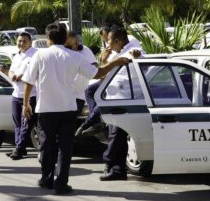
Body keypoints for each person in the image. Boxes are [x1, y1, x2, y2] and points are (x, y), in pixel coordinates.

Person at [21, 23, 130, 195]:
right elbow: (97, 73)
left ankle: (46, 179)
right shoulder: (74, 56)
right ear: (65, 39)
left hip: (47, 109)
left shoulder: (40, 56)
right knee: (65, 147)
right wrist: (115, 62)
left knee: (47, 146)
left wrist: (25, 104)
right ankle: (61, 184)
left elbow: (28, 81)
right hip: (68, 108)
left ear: (48, 39)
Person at [99, 26, 144, 181]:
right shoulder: (118, 53)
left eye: (109, 41)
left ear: (117, 40)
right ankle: (118, 170)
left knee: (116, 135)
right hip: (114, 100)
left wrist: (137, 56)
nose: (108, 44)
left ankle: (109, 161)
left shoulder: (133, 50)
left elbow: (138, 55)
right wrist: (105, 60)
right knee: (117, 135)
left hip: (125, 101)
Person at [6, 32, 38, 160]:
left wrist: (22, 76)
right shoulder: (17, 56)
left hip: (31, 95)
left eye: (24, 41)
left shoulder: (35, 54)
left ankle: (19, 149)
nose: (21, 43)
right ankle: (20, 147)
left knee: (26, 123)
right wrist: (12, 75)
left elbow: (34, 73)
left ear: (30, 42)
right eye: (19, 41)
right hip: (16, 94)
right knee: (17, 123)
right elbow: (10, 70)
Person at [64, 31, 98, 115]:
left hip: (79, 95)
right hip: (65, 95)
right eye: (70, 46)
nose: (74, 47)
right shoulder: (62, 53)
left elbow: (95, 66)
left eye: (75, 44)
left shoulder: (85, 50)